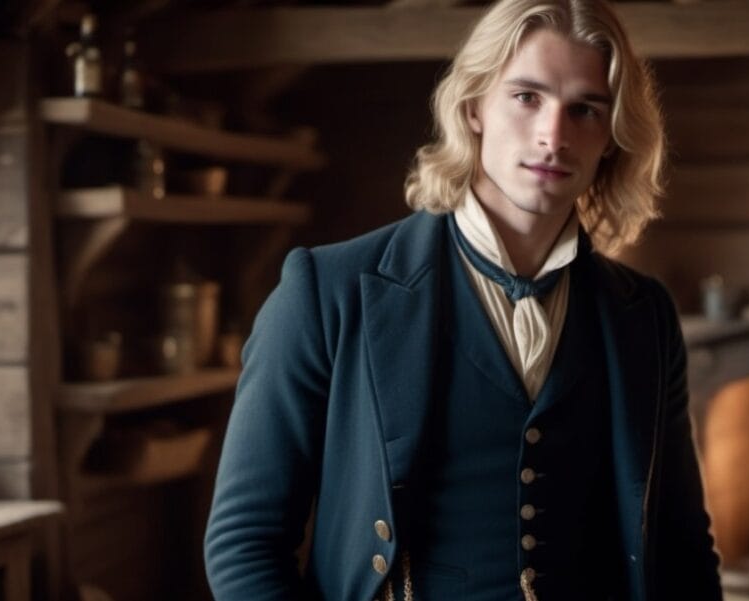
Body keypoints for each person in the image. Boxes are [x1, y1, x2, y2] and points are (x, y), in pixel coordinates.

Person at [204, 0, 722, 599]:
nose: (553, 135)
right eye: (526, 97)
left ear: (611, 136)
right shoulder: (325, 292)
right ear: (474, 105)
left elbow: (683, 548)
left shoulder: (644, 315)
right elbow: (244, 544)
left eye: (585, 109)